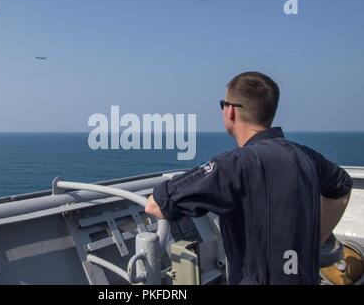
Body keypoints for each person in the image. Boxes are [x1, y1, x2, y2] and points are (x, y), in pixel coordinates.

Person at [145, 71, 353, 285]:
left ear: (230, 111)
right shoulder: (306, 156)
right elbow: (343, 187)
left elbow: (157, 205)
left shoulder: (234, 165)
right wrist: (312, 241)